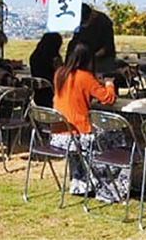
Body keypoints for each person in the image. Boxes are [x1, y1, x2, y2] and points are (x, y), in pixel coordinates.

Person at [50, 42, 123, 202]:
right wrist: (109, 83)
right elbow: (108, 99)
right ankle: (111, 182)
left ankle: (81, 182)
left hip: (58, 135)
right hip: (78, 135)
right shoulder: (85, 76)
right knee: (118, 135)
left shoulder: (59, 73)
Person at [72, 4, 116, 75]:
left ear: (92, 14)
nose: (85, 24)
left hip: (103, 61)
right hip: (84, 59)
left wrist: (92, 57)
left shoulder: (104, 22)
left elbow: (108, 46)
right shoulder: (80, 21)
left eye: (86, 22)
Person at [29, 32, 63, 107]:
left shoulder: (34, 57)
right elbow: (61, 75)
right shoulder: (55, 59)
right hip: (53, 94)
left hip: (38, 94)